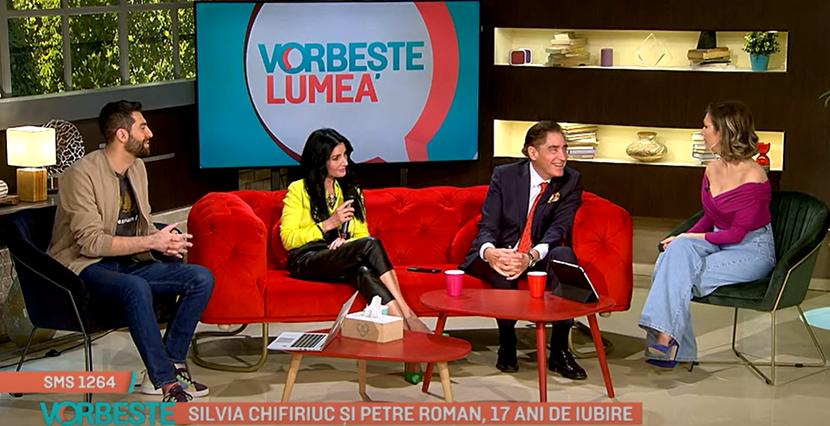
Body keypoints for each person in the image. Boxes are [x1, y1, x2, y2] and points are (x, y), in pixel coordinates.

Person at [47, 100, 214, 403]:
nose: (150, 133)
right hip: (85, 266)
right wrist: (152, 243)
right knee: (135, 287)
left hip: (128, 261)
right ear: (122, 135)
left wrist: (164, 239)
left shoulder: (137, 168)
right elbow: (91, 243)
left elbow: (141, 225)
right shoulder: (80, 175)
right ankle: (167, 383)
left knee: (200, 278)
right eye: (143, 127)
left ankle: (168, 365)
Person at [279, 128, 432, 384]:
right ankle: (410, 317)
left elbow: (361, 234)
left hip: (337, 256)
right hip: (306, 259)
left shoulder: (350, 191)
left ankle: (409, 350)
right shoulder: (299, 190)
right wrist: (329, 224)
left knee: (362, 272)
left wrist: (347, 242)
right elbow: (288, 239)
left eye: (345, 155)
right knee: (370, 246)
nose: (345, 162)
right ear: (320, 161)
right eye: (336, 157)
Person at [639, 100, 776, 368]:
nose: (701, 132)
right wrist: (684, 237)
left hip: (751, 249)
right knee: (675, 254)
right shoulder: (712, 168)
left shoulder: (753, 176)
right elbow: (710, 218)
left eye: (705, 127)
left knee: (672, 270)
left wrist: (688, 238)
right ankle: (670, 341)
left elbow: (736, 234)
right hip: (717, 240)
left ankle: (669, 342)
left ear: (723, 131)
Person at [459, 120, 587, 380]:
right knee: (504, 263)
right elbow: (488, 223)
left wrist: (530, 257)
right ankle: (507, 344)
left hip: (538, 253)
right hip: (503, 250)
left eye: (564, 149)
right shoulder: (505, 176)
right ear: (533, 152)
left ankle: (560, 351)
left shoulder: (570, 180)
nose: (562, 157)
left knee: (565, 257)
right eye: (554, 149)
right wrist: (490, 252)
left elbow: (559, 228)